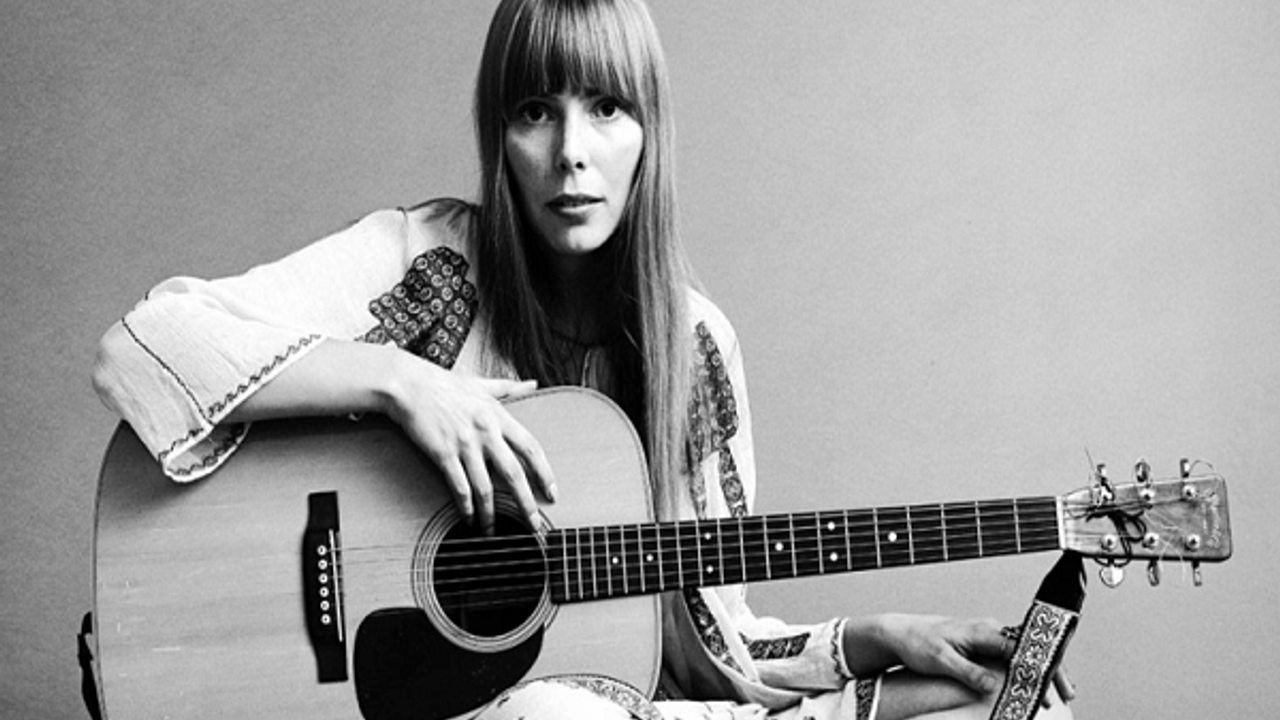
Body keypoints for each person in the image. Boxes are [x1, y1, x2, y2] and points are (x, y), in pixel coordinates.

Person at [92, 1, 1074, 718]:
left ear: (650, 134)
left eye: (607, 108)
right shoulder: (427, 263)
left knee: (993, 699)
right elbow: (146, 345)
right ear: (499, 133)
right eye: (535, 109)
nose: (571, 151)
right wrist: (402, 382)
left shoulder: (695, 350)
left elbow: (715, 639)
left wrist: (872, 638)